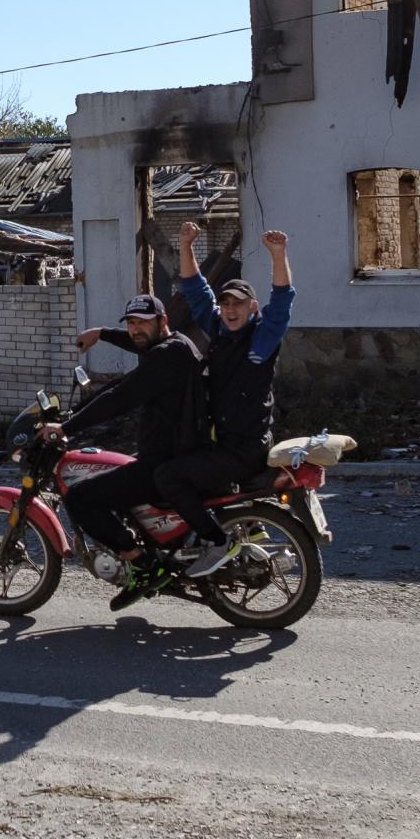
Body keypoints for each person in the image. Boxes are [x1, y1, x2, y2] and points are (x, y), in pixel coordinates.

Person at [42, 293, 204, 611]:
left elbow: (120, 397)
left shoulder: (164, 357)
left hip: (163, 463)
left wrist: (66, 427)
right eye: (131, 323)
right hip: (175, 454)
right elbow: (139, 343)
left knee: (80, 499)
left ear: (163, 321)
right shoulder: (176, 346)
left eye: (143, 322)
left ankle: (140, 564)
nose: (136, 330)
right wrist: (102, 333)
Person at [153, 222, 295, 577]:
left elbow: (282, 301)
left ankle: (216, 541)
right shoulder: (217, 327)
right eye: (227, 303)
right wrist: (185, 244)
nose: (231, 309)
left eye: (239, 304)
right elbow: (196, 290)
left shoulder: (263, 338)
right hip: (225, 442)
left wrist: (278, 255)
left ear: (252, 308)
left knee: (168, 477)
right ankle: (249, 532)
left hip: (245, 449)